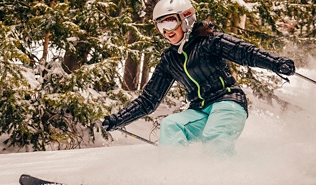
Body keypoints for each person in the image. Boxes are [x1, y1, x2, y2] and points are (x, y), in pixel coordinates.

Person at [102, 0, 295, 154]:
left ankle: (229, 183)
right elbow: (149, 99)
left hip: (228, 102)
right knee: (171, 124)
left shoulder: (210, 41)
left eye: (169, 22)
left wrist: (276, 62)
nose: (166, 31)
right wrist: (118, 119)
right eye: (160, 26)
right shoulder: (170, 59)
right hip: (200, 110)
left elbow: (245, 52)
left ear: (186, 19)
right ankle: (175, 180)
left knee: (215, 136)